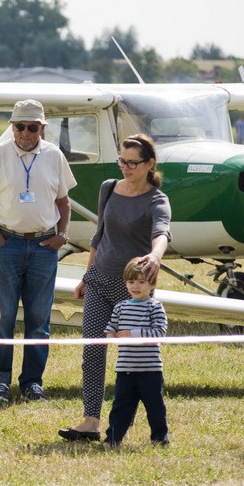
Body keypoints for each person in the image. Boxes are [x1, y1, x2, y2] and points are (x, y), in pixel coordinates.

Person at [58, 133, 171, 442]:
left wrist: (155, 255)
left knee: (137, 360)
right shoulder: (108, 188)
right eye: (122, 160)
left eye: (132, 163)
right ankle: (91, 420)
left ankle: (150, 426)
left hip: (133, 288)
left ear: (149, 164)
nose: (125, 167)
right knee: (92, 350)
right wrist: (86, 275)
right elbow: (99, 235)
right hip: (99, 281)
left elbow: (162, 233)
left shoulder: (157, 199)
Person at [0, 99, 76, 404]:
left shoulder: (55, 155)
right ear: (12, 127)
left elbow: (64, 202)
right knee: (2, 318)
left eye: (33, 127)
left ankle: (33, 382)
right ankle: (0, 383)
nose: (26, 132)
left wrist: (62, 236)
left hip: (45, 246)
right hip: (9, 245)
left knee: (38, 319)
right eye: (20, 126)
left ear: (42, 128)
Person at [102, 257, 169, 448]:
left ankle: (160, 438)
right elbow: (110, 327)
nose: (135, 286)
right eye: (131, 282)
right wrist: (110, 336)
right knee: (120, 407)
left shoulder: (155, 307)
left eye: (141, 282)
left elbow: (159, 333)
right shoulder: (120, 307)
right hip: (125, 370)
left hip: (150, 371)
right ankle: (113, 439)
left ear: (152, 284)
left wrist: (133, 334)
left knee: (155, 408)